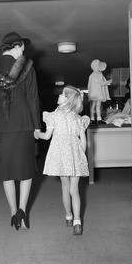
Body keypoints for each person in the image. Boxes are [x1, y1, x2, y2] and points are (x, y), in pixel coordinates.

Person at [0, 32, 41, 230]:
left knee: (6, 172)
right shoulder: (28, 67)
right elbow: (33, 99)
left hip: (4, 128)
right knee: (26, 170)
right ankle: (23, 211)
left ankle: (13, 213)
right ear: (15, 46)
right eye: (22, 46)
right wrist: (37, 126)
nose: (24, 50)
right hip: (24, 125)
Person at [34, 85, 90, 235]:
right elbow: (83, 141)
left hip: (60, 155)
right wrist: (81, 156)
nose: (58, 96)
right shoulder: (78, 119)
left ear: (67, 99)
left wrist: (36, 134)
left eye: (61, 94)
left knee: (65, 188)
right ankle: (78, 221)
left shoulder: (53, 115)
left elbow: (47, 136)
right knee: (75, 190)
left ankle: (69, 217)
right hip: (75, 155)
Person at [87, 59, 112, 123]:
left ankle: (92, 119)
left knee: (93, 105)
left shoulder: (91, 75)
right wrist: (109, 82)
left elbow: (89, 85)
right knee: (98, 105)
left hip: (93, 93)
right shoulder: (98, 74)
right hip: (98, 92)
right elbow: (101, 83)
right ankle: (99, 118)